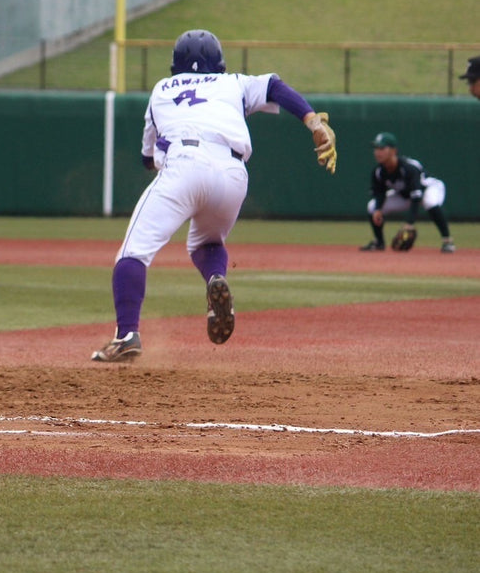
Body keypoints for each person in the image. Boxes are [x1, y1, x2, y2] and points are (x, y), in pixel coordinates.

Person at [91, 29, 337, 363]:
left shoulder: (161, 89)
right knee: (206, 243)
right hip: (233, 174)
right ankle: (215, 278)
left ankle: (126, 336)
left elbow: (147, 158)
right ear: (218, 63)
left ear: (175, 65)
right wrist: (313, 122)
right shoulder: (232, 83)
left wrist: (157, 160)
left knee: (132, 253)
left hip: (184, 165)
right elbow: (275, 87)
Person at [359, 132, 455, 254]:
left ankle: (448, 242)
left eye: (382, 148)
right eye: (376, 148)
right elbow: (379, 193)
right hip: (405, 195)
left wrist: (409, 223)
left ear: (393, 151)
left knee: (430, 202)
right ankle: (379, 242)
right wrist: (378, 209)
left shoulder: (409, 168)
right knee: (372, 207)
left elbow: (416, 197)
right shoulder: (378, 171)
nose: (377, 152)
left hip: (429, 188)